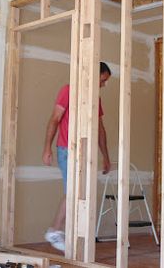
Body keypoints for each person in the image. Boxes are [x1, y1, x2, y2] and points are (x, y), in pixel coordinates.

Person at [42, 62, 112, 252]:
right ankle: (56, 231)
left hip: (85, 152)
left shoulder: (94, 98)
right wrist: (47, 148)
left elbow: (100, 129)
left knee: (78, 193)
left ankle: (61, 232)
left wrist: (105, 156)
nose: (103, 84)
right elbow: (55, 119)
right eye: (103, 80)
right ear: (94, 75)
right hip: (66, 149)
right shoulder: (68, 90)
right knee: (74, 192)